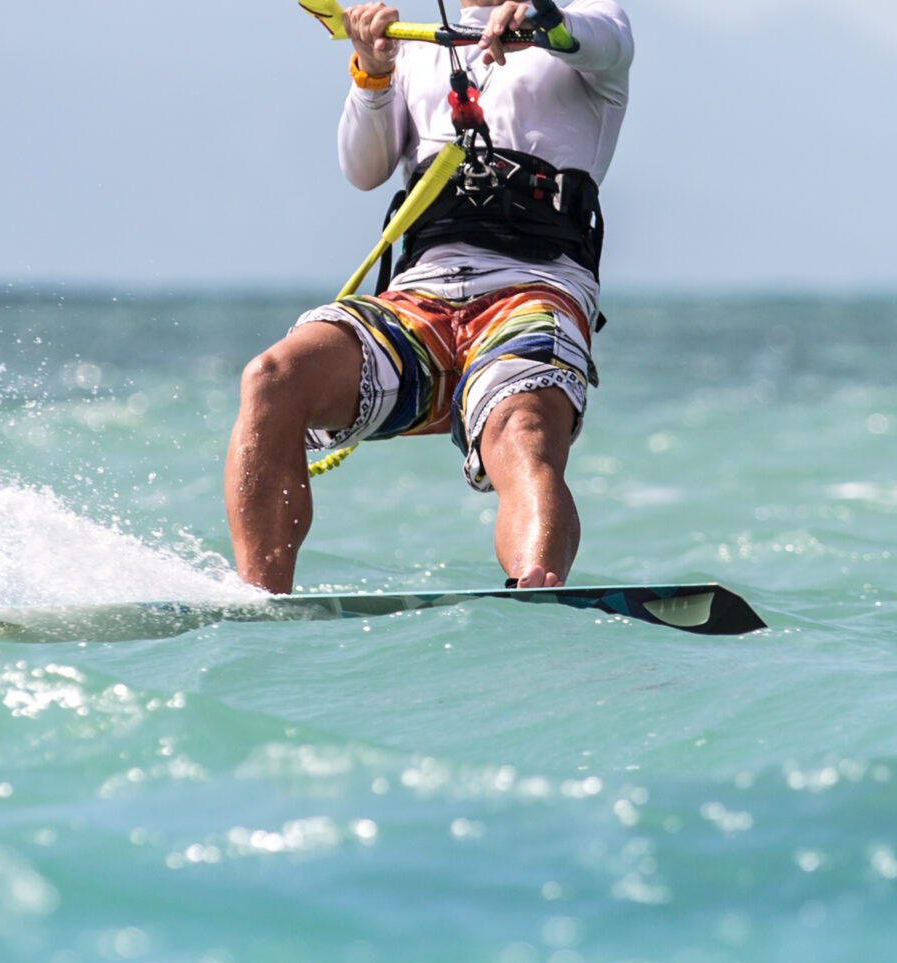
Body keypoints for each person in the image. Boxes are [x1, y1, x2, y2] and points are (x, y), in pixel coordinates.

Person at [224, 1, 634, 592]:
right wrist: (372, 68)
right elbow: (363, 169)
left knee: (522, 429)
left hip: (532, 291)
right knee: (273, 377)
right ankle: (259, 599)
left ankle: (537, 590)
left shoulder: (588, 22)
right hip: (421, 302)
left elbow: (595, 39)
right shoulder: (415, 49)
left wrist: (541, 20)